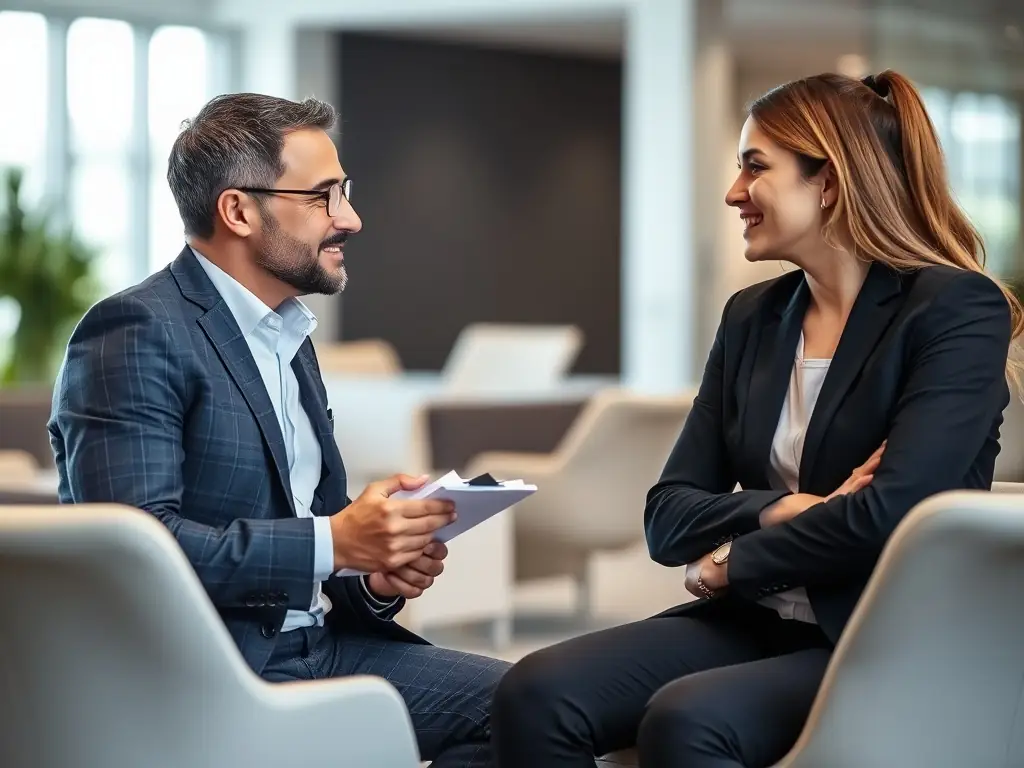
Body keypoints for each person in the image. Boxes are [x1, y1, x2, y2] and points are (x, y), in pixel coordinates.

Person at [491, 70, 1024, 767]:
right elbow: (667, 516)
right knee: (533, 691)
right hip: (758, 620)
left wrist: (735, 559)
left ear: (827, 182)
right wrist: (782, 510)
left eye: (755, 166)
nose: (733, 192)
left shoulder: (954, 309)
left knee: (686, 722)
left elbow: (894, 515)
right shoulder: (753, 318)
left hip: (882, 632)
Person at [48, 93, 508, 768]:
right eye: (323, 196)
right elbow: (131, 552)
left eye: (344, 192)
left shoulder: (288, 336)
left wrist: (373, 570)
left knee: (541, 705)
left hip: (318, 646)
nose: (350, 218)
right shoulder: (135, 332)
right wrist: (334, 540)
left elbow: (318, 537)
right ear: (238, 210)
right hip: (207, 672)